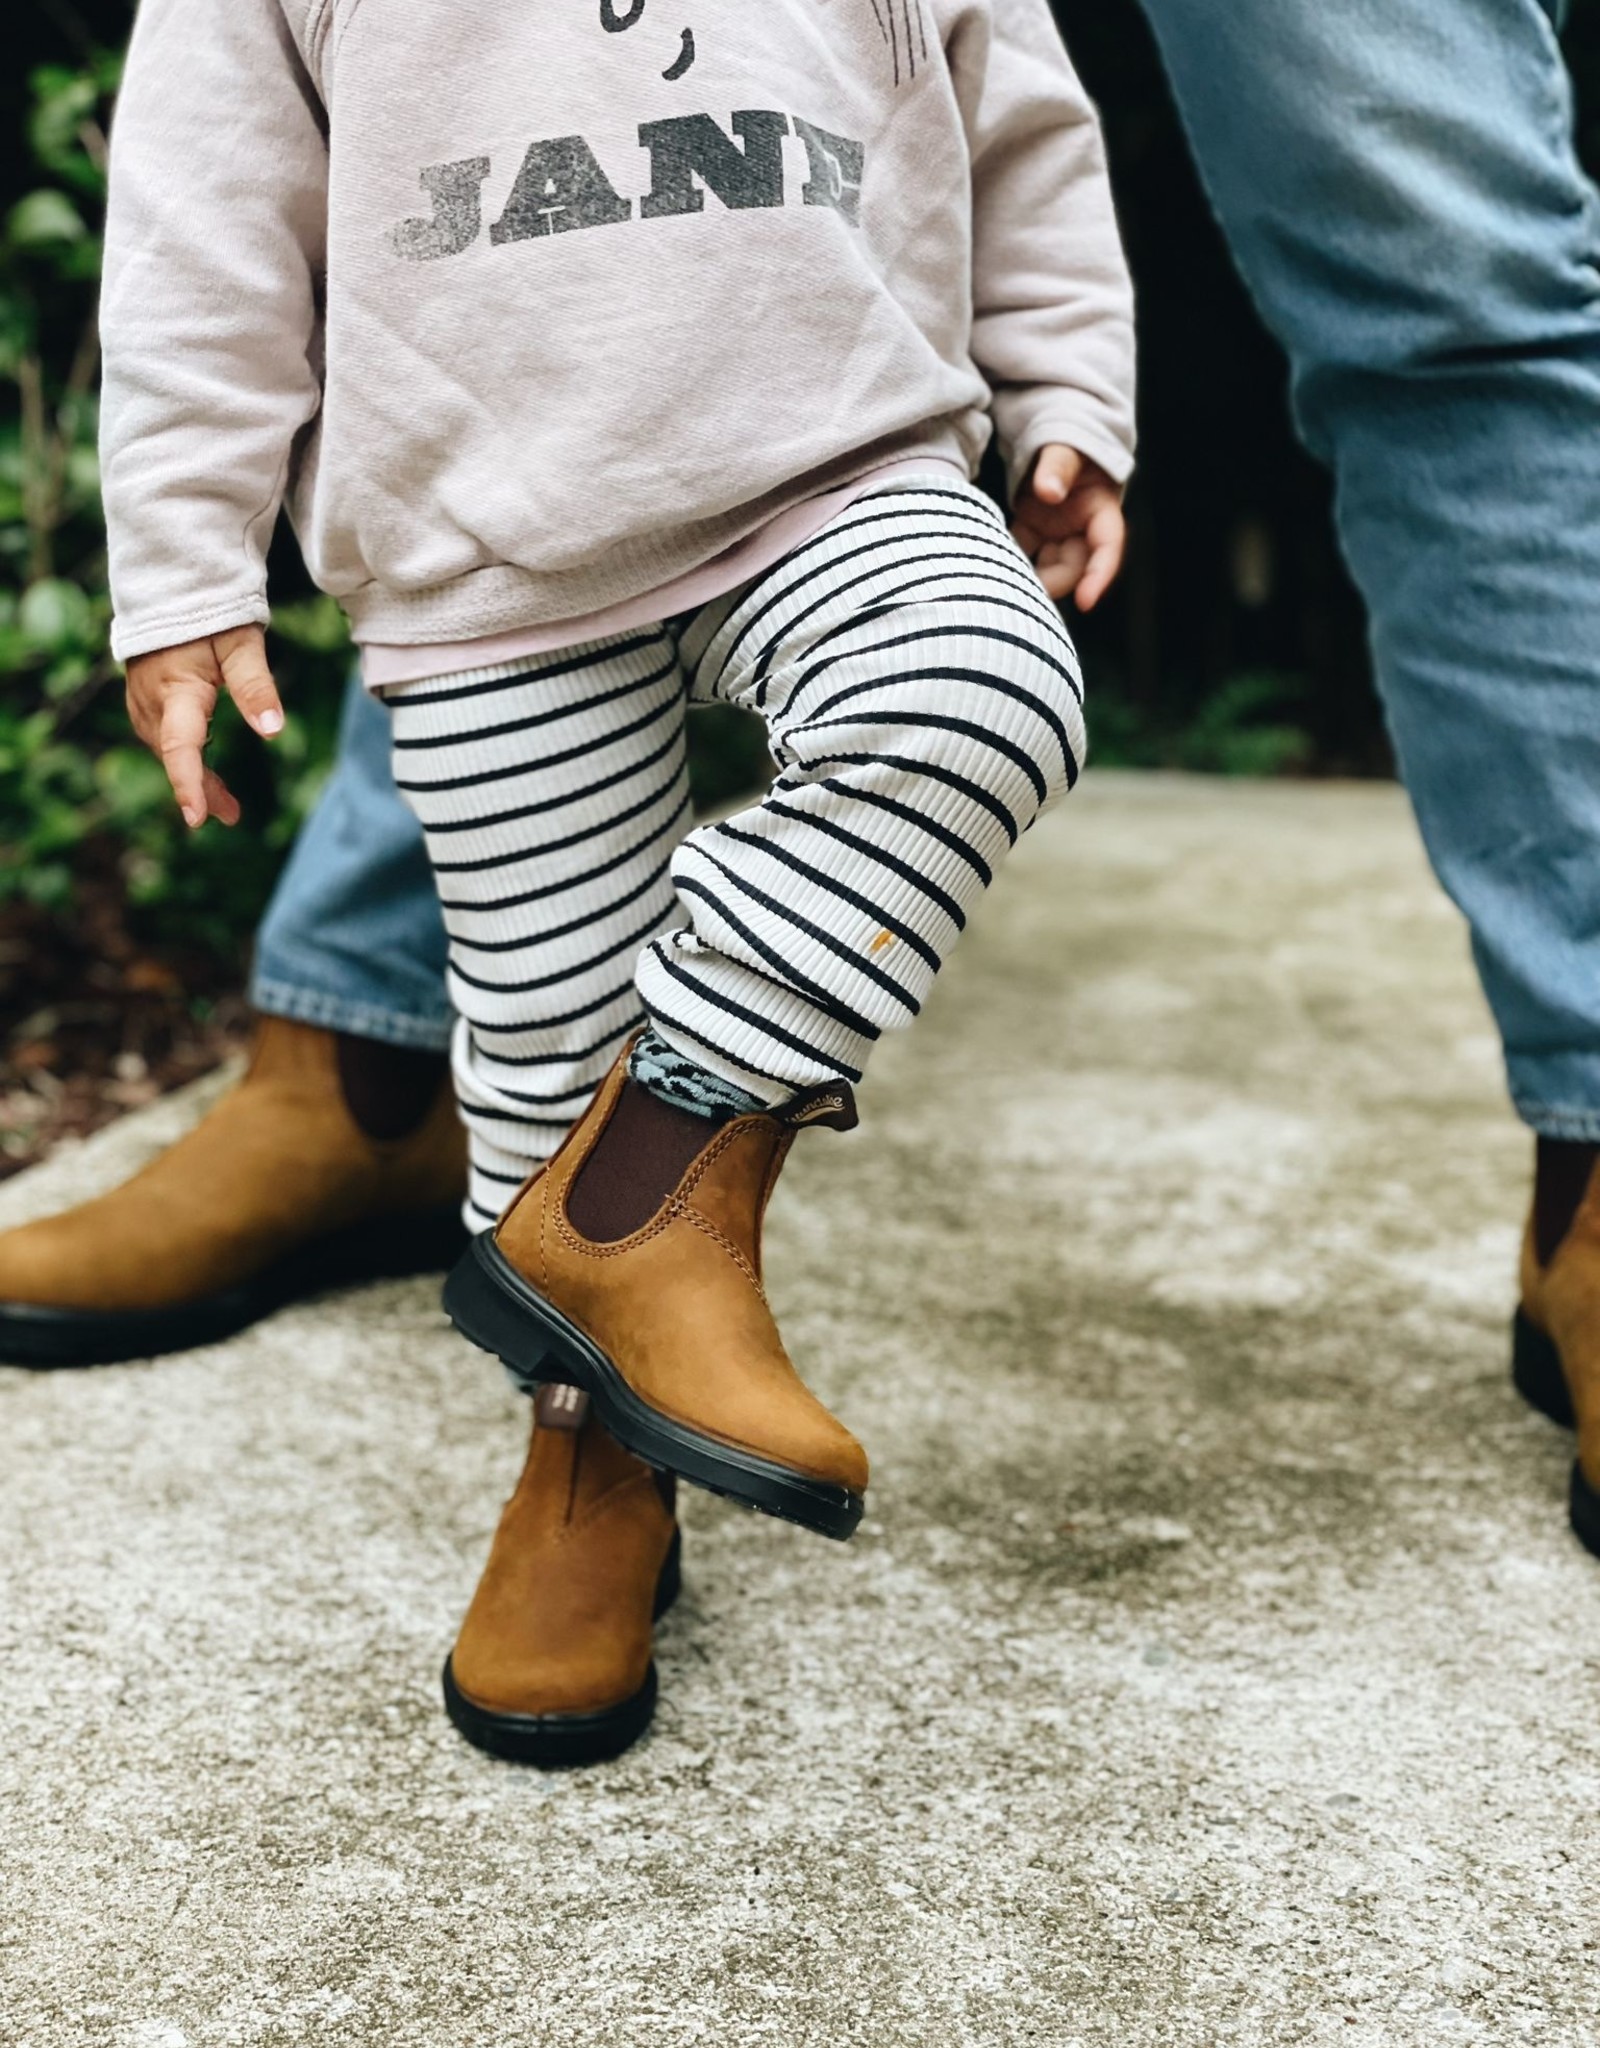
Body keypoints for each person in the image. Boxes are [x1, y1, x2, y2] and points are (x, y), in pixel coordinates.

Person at [79, 0, 1137, 1762]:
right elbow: (205, 199)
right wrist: (187, 549)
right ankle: (594, 1454)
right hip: (482, 547)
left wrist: (1066, 388)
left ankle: (642, 1202)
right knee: (548, 1037)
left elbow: (1017, 111)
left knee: (977, 688)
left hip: (843, 455)